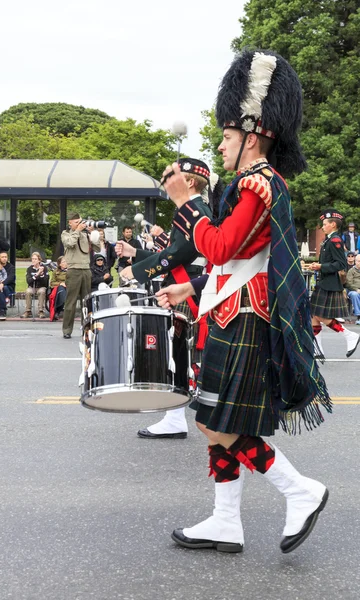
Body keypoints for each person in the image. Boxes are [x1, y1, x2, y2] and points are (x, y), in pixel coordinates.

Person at [156, 50, 331, 554]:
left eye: (227, 136)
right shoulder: (249, 184)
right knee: (216, 424)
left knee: (216, 422)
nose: (220, 143)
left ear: (251, 136)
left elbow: (219, 246)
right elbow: (236, 258)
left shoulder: (258, 184)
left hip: (244, 318)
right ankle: (224, 521)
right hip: (231, 309)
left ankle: (301, 491)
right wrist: (192, 287)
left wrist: (185, 202)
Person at [116, 158, 213, 439]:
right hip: (183, 282)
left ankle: (184, 416)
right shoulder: (193, 208)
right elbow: (175, 253)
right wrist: (136, 255)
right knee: (178, 352)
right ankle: (176, 416)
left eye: (173, 177)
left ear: (190, 182)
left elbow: (178, 255)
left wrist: (135, 271)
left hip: (186, 286)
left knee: (180, 352)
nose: (167, 183)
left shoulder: (195, 209)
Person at [309, 210, 359, 359]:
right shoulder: (328, 240)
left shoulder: (335, 240)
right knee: (313, 315)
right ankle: (318, 349)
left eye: (325, 224)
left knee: (319, 314)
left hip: (329, 284)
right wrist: (318, 265)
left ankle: (349, 335)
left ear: (333, 225)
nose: (322, 227)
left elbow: (340, 264)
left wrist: (321, 267)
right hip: (325, 282)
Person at [61, 213, 93, 339]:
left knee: (86, 302)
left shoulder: (85, 234)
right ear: (70, 223)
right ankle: (67, 330)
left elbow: (96, 247)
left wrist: (93, 234)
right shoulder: (66, 234)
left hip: (86, 269)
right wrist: (77, 231)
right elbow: (70, 243)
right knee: (71, 302)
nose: (80, 224)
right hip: (73, 270)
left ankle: (87, 329)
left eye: (80, 222)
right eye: (76, 222)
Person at [21, 252, 49, 319]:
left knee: (41, 292)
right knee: (28, 291)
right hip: (32, 287)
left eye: (35, 259)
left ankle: (41, 311)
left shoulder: (44, 268)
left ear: (39, 260)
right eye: (32, 259)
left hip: (41, 286)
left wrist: (41, 275)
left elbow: (45, 281)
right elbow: (29, 281)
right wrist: (38, 274)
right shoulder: (29, 269)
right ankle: (28, 311)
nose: (33, 260)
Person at [49, 256, 67, 321]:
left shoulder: (70, 271)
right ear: (60, 264)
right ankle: (58, 310)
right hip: (58, 288)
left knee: (62, 291)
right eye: (64, 262)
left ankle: (57, 311)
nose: (66, 263)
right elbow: (52, 283)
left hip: (69, 287)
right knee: (60, 290)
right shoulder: (55, 272)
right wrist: (60, 284)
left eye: (66, 261)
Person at [346, 254, 360, 325]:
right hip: (353, 290)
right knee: (355, 294)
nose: (359, 263)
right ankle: (358, 315)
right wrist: (356, 289)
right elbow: (348, 283)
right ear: (355, 262)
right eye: (358, 261)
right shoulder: (351, 271)